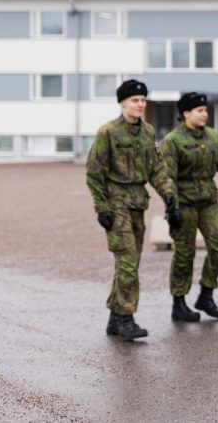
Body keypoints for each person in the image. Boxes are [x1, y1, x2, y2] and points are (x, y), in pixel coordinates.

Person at [86, 79, 181, 341]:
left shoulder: (148, 132)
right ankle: (127, 318)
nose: (140, 104)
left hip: (138, 202)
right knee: (127, 260)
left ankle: (115, 318)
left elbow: (156, 170)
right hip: (116, 203)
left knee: (130, 262)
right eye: (135, 100)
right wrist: (101, 208)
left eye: (143, 100)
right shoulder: (108, 132)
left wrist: (169, 194)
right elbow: (94, 174)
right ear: (122, 103)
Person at [159, 92, 218, 322]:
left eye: (205, 110)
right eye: (199, 110)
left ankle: (206, 294)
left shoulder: (212, 136)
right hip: (184, 204)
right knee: (185, 253)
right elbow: (166, 176)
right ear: (185, 113)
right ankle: (179, 303)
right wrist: (171, 205)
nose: (204, 114)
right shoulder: (173, 140)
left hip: (209, 202)